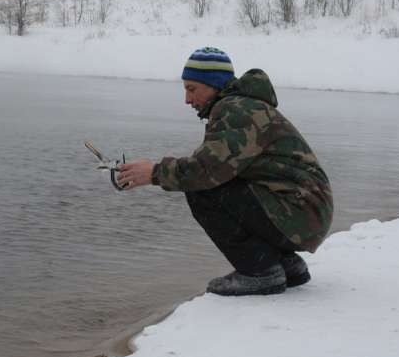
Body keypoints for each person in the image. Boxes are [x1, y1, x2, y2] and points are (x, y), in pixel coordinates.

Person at [117, 47, 333, 296]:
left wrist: (154, 172)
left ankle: (261, 271)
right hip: (305, 213)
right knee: (219, 184)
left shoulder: (235, 110)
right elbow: (214, 164)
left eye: (191, 89)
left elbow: (205, 171)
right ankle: (287, 264)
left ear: (213, 85)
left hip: (301, 214)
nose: (187, 99)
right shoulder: (241, 107)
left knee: (202, 191)